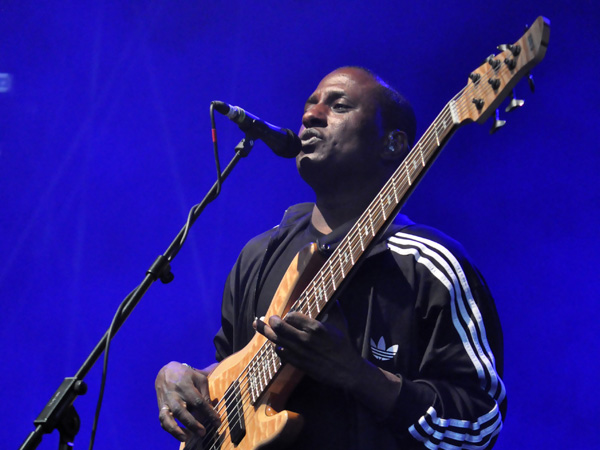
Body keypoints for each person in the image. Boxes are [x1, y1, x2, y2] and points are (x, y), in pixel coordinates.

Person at [155, 66, 507, 449]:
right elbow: (225, 373)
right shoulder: (259, 255)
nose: (310, 116)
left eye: (339, 106)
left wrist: (359, 375)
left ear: (393, 144)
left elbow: (480, 425)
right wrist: (183, 378)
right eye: (310, 105)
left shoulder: (430, 264)